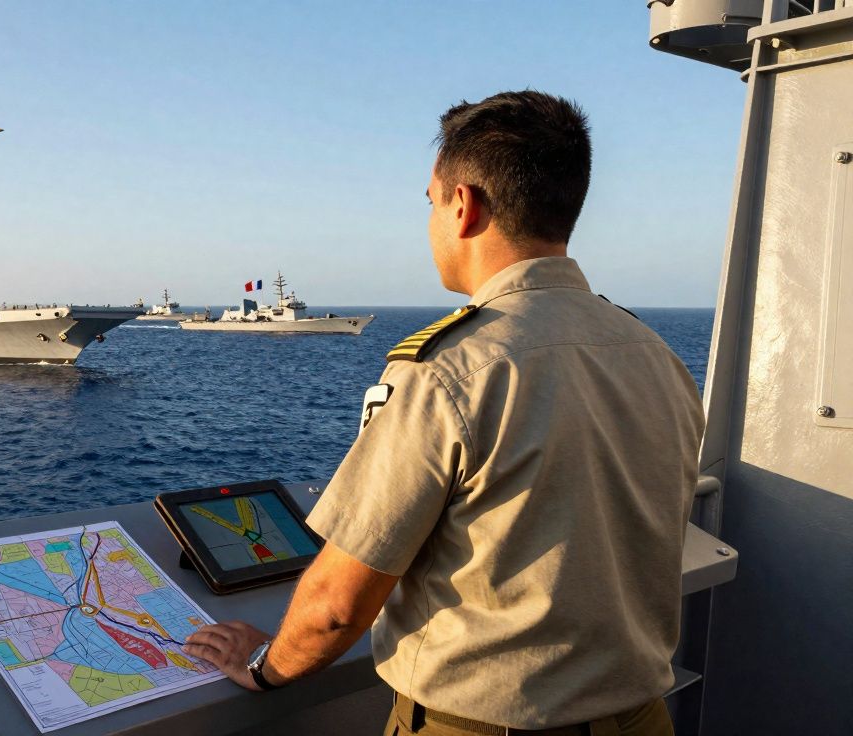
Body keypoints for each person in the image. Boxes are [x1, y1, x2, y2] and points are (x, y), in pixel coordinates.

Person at [182, 91, 706, 735]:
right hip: (642, 719)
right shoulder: (654, 353)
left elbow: (338, 610)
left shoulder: (448, 370)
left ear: (463, 206)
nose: (430, 220)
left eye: (430, 202)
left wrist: (265, 664)